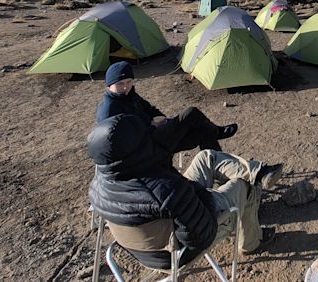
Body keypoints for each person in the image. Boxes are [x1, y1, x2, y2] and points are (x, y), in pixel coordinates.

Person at [87, 115, 281, 269]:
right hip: (177, 250)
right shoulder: (163, 189)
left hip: (146, 243)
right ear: (138, 147)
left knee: (205, 157)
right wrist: (200, 193)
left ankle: (258, 171)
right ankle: (252, 242)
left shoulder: (98, 186)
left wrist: (184, 190)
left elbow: (165, 194)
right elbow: (201, 234)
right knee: (243, 186)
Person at [96, 61, 236, 153]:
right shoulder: (109, 110)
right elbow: (123, 140)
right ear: (109, 84)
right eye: (120, 84)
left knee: (203, 133)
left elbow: (150, 109)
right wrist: (152, 126)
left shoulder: (130, 95)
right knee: (190, 113)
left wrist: (161, 119)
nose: (126, 87)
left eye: (129, 81)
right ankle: (217, 132)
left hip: (158, 134)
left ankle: (218, 167)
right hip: (148, 147)